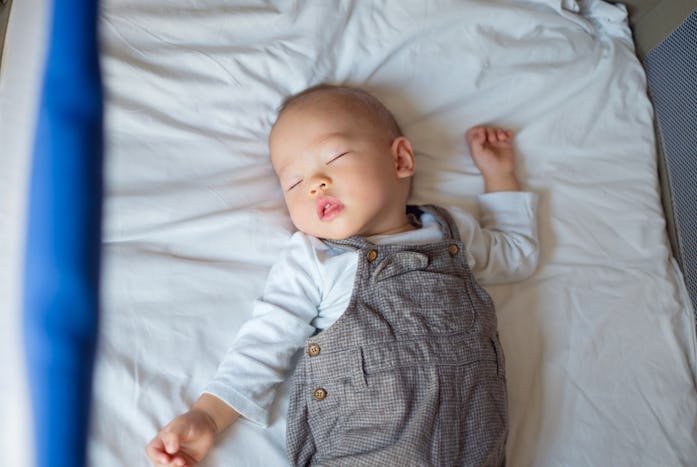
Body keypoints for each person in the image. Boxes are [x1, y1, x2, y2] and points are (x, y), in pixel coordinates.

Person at [146, 84, 539, 466]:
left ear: (400, 160)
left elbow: (516, 256)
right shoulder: (316, 259)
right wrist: (209, 416)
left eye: (334, 157)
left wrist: (500, 176)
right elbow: (265, 342)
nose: (315, 184)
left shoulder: (450, 232)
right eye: (294, 182)